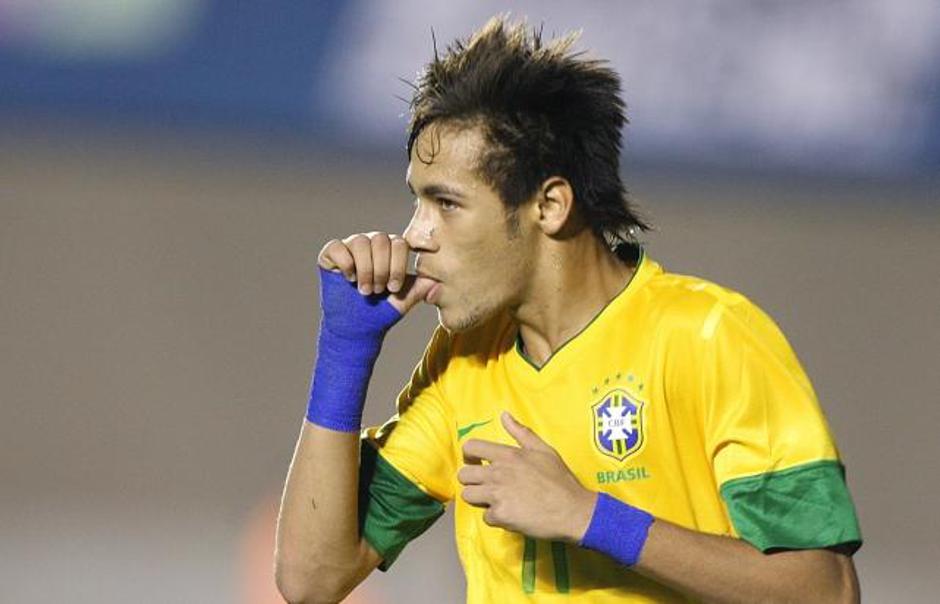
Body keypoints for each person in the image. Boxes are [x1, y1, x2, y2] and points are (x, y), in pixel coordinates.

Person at [275, 17, 862, 604]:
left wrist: (590, 517)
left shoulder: (710, 337)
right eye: (417, 200)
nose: (415, 235)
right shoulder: (464, 362)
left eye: (446, 204)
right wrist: (344, 354)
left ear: (550, 205)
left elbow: (826, 592)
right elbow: (310, 581)